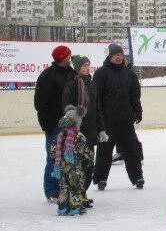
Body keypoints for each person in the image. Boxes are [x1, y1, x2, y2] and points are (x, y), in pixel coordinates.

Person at [93, 43, 145, 190]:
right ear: (110, 56)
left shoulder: (129, 74)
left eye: (121, 56)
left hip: (125, 119)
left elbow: (135, 96)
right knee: (105, 150)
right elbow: (96, 98)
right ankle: (100, 179)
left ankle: (137, 177)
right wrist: (98, 119)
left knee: (132, 149)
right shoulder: (101, 73)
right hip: (107, 120)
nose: (119, 58)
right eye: (116, 55)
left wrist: (137, 111)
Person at [62, 55, 108, 207]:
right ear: (77, 68)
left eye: (88, 65)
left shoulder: (91, 84)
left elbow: (98, 109)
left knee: (89, 166)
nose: (87, 68)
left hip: (91, 131)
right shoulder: (72, 84)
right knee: (78, 167)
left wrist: (101, 129)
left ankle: (82, 192)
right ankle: (77, 195)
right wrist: (75, 115)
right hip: (78, 133)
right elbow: (67, 106)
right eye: (84, 66)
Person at [34, 45, 76, 201]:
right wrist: (46, 124)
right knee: (54, 158)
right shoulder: (47, 76)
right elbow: (40, 102)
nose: (70, 57)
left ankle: (68, 187)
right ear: (62, 57)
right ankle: (51, 190)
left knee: (70, 157)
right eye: (68, 55)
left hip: (71, 123)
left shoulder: (73, 73)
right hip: (54, 124)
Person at [51, 106, 94, 216]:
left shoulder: (59, 136)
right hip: (75, 168)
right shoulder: (77, 136)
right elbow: (85, 150)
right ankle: (75, 207)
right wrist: (90, 159)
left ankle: (62, 207)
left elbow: (53, 150)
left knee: (64, 187)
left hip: (61, 168)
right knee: (75, 187)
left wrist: (55, 160)